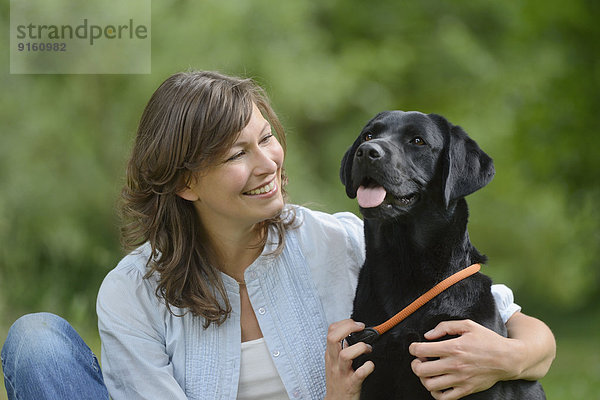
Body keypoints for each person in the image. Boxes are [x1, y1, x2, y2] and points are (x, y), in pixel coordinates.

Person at [1, 70, 555, 400]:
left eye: (267, 138)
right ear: (186, 183)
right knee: (36, 343)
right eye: (237, 154)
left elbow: (507, 315)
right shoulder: (132, 294)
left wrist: (509, 360)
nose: (267, 162)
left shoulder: (341, 242)